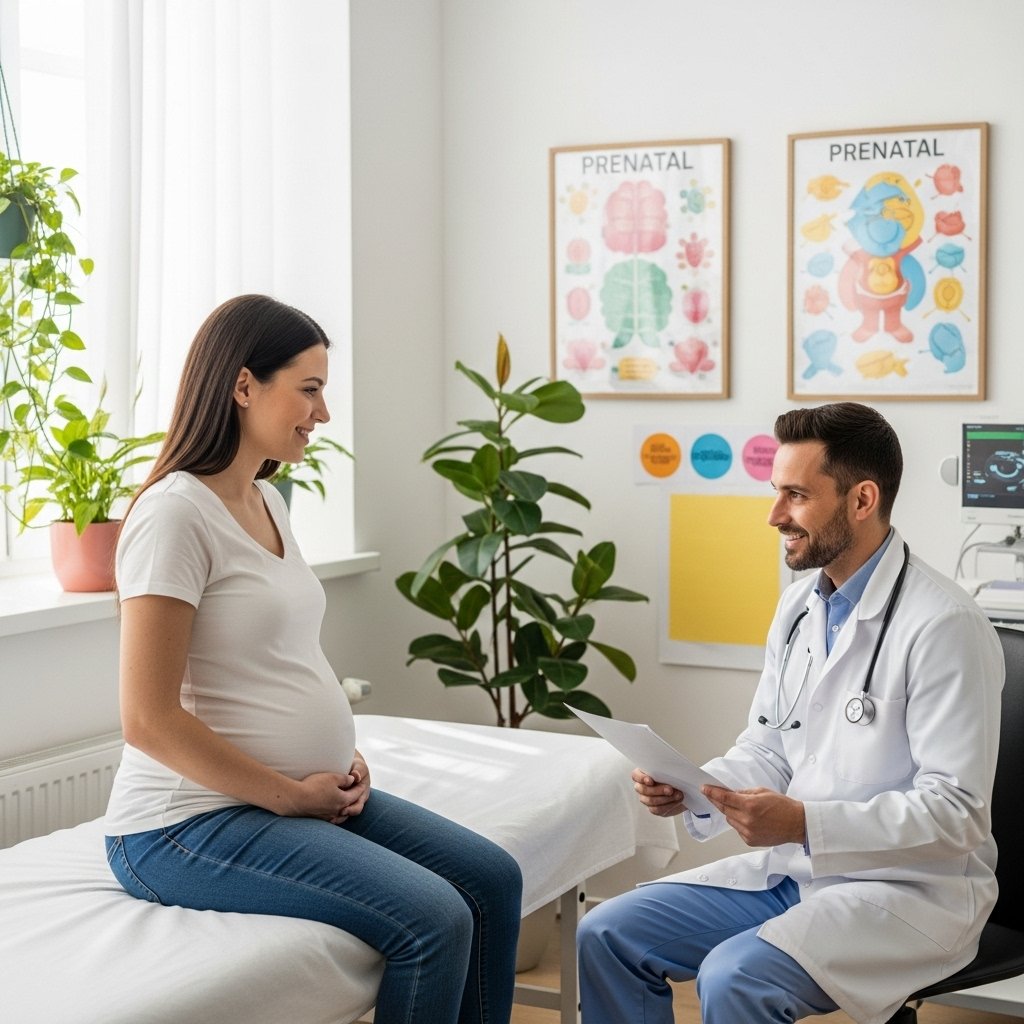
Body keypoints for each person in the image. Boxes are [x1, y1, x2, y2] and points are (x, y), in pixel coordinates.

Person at [103, 294, 522, 1023]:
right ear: (242, 386)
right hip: (184, 825)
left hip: (286, 797)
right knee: (435, 917)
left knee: (491, 878)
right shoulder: (174, 515)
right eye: (309, 389)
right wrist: (287, 792)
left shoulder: (268, 502)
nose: (322, 414)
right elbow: (148, 718)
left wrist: (339, 757)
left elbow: (279, 657)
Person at [577, 402, 1004, 1024]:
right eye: (777, 493)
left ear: (861, 500)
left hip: (909, 892)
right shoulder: (802, 606)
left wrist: (804, 823)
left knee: (734, 979)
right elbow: (772, 743)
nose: (775, 515)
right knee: (607, 933)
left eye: (796, 496)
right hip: (797, 870)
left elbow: (957, 814)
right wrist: (697, 788)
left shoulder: (944, 625)